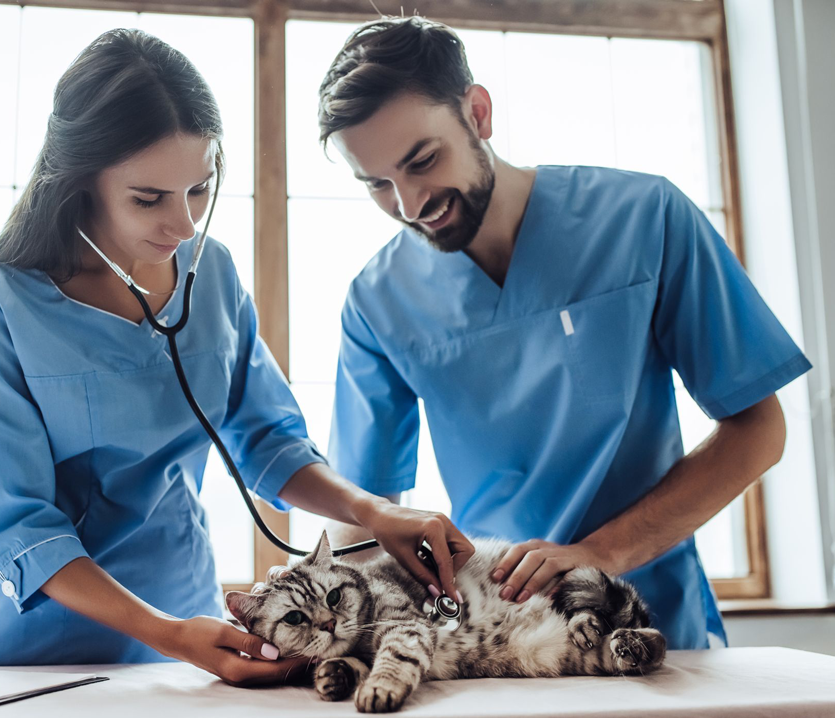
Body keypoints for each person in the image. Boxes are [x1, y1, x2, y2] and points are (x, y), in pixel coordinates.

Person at [0, 28, 473, 681]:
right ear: (81, 183)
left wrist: (375, 511)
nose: (185, 224)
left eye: (199, 189)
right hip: (40, 646)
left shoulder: (211, 272)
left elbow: (268, 441)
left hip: (189, 621)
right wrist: (166, 634)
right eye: (150, 199)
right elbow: (18, 524)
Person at [318, 17, 810, 650]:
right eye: (378, 185)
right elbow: (367, 520)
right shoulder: (376, 301)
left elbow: (758, 431)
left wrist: (599, 553)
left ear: (477, 113)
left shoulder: (645, 219)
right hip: (504, 636)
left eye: (423, 161)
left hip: (651, 617)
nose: (410, 204)